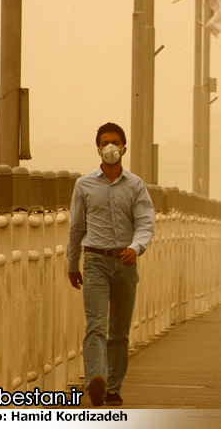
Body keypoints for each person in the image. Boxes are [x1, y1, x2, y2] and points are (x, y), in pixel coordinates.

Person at [67, 122, 155, 407]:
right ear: (98, 148)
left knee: (119, 331)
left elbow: (145, 223)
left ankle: (113, 387)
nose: (110, 148)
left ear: (124, 148)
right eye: (105, 143)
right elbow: (76, 227)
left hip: (125, 263)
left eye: (115, 143)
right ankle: (95, 379)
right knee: (95, 325)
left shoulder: (136, 185)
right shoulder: (84, 185)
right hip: (94, 261)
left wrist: (135, 247)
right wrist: (72, 262)